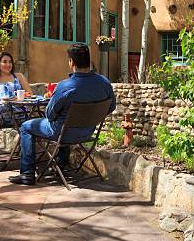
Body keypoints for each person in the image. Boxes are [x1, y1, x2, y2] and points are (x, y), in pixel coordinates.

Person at [9, 43, 116, 185]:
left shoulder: (65, 86)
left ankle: (27, 173)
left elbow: (49, 114)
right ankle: (60, 164)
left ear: (71, 62)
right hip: (88, 132)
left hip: (63, 134)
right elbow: (111, 107)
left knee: (26, 126)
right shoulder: (104, 82)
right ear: (88, 61)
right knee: (64, 123)